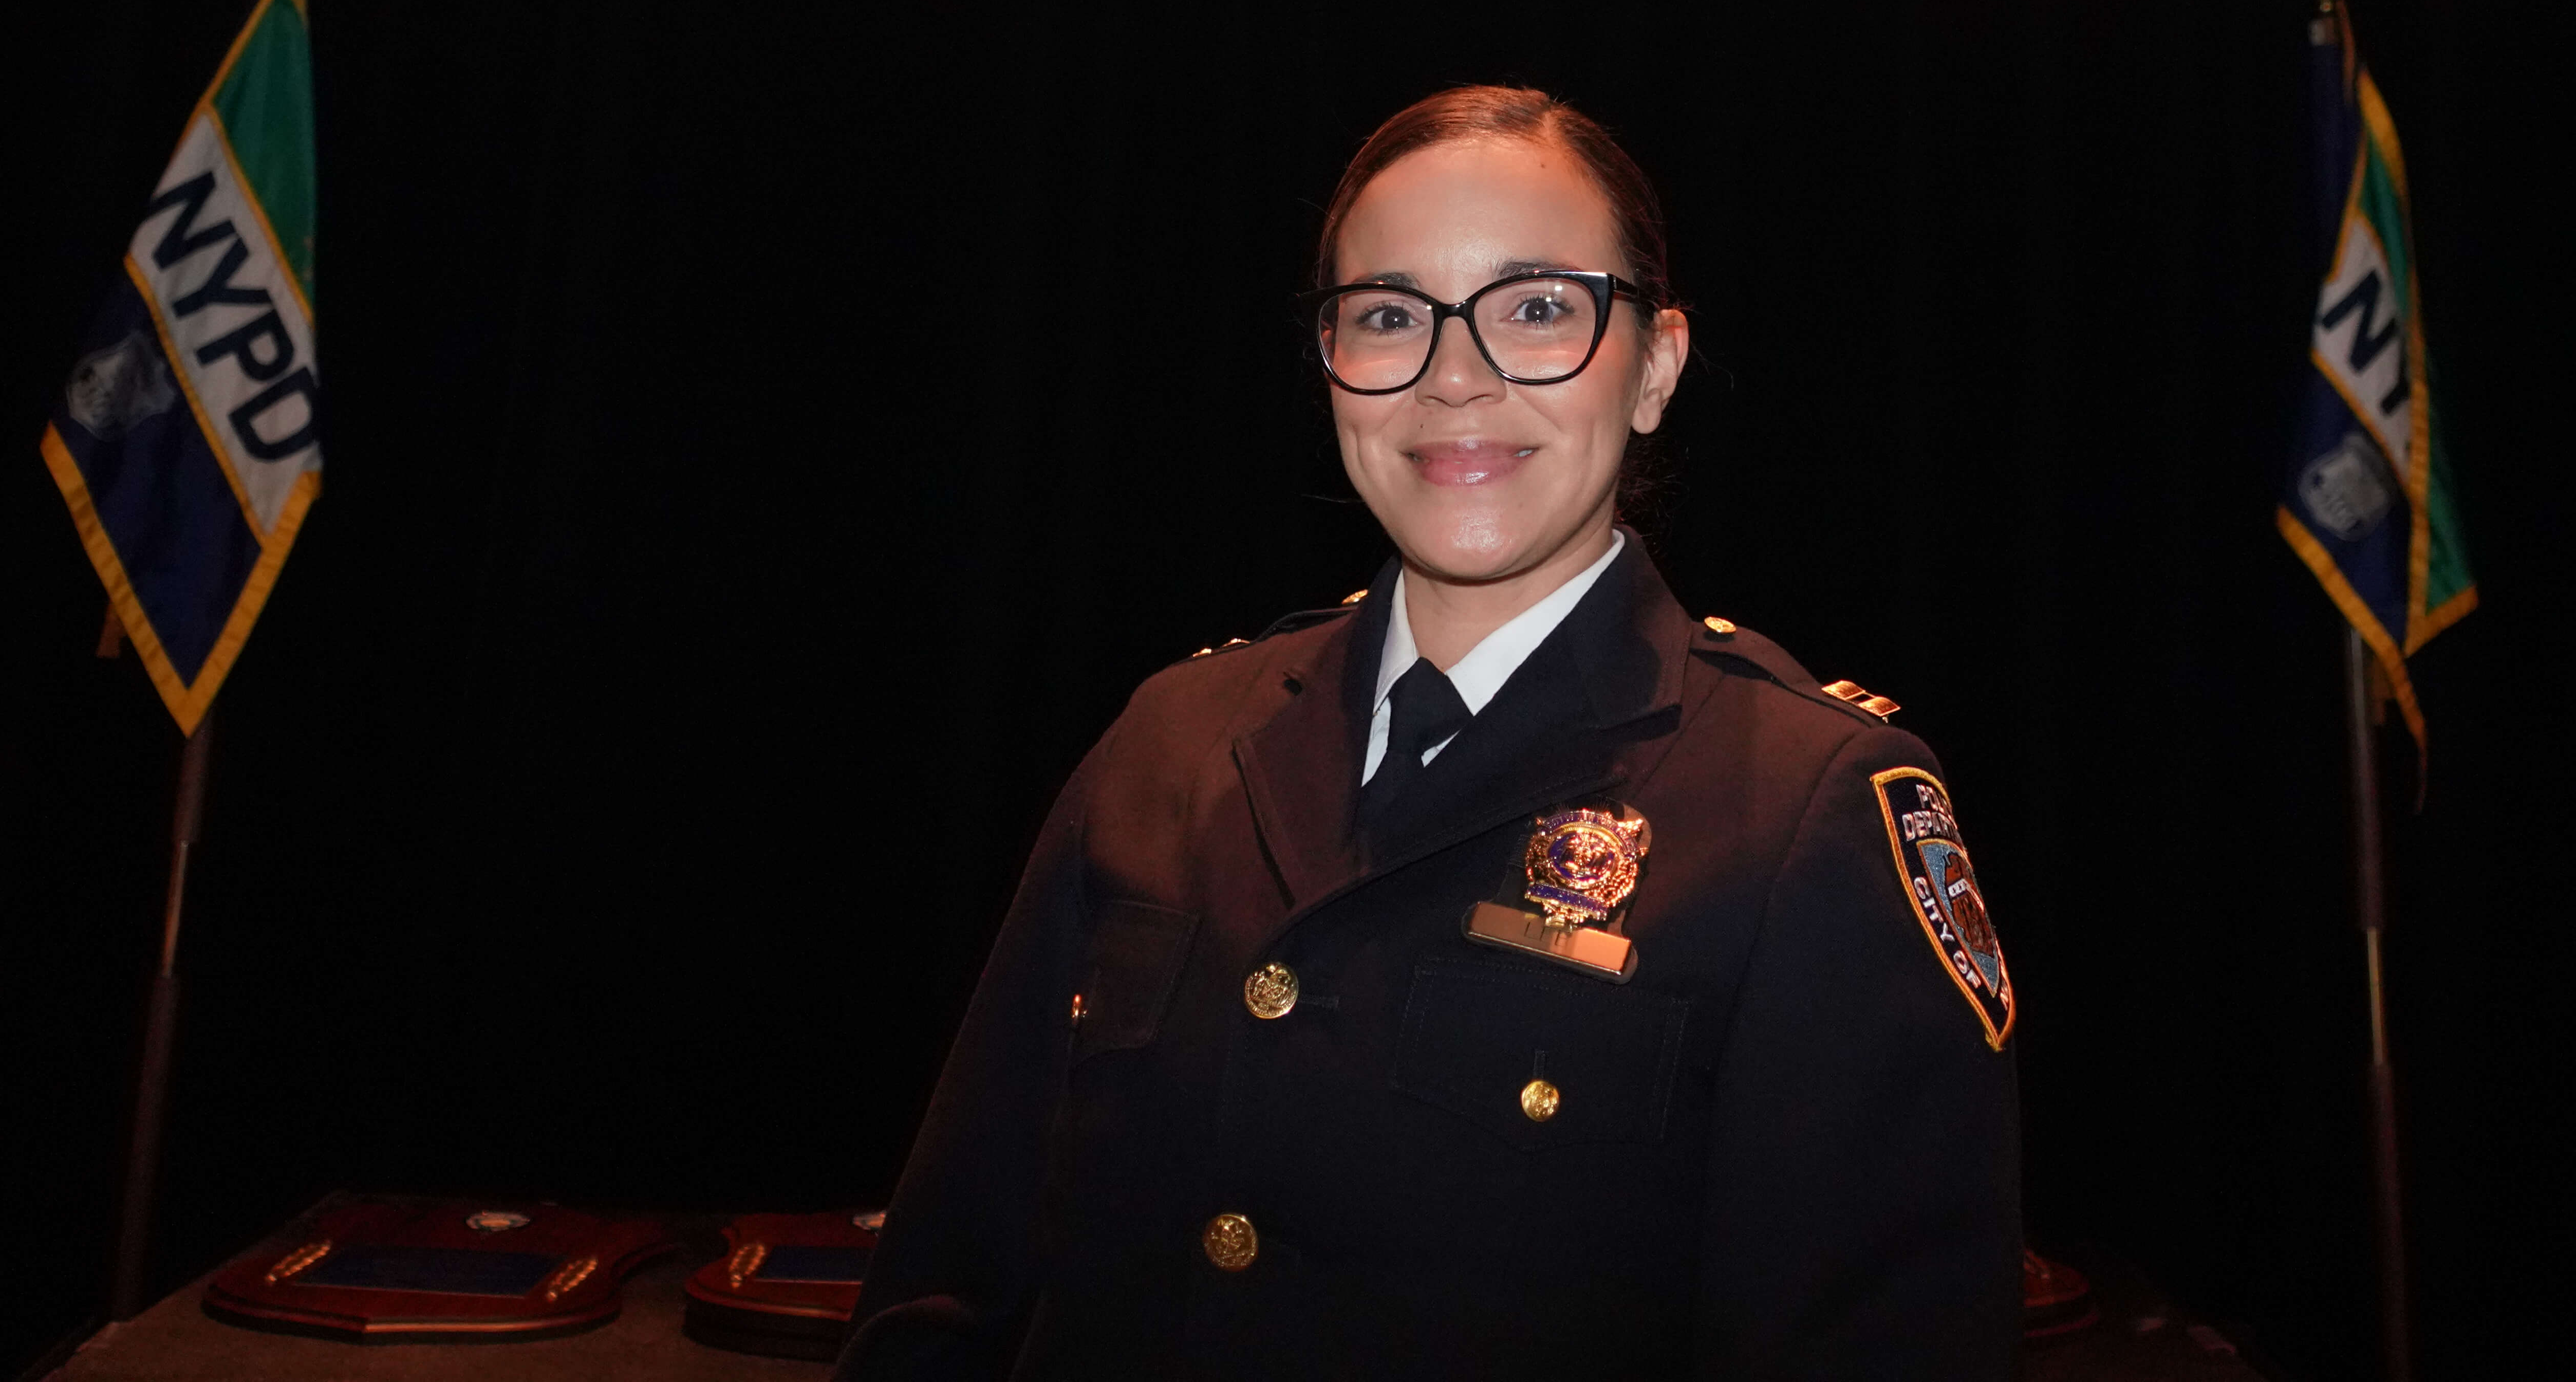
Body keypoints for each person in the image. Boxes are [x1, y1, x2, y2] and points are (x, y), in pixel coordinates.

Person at [841, 86, 2023, 1379]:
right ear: (1331, 367)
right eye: (1390, 315)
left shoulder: (1807, 804)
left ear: (1655, 368)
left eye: (1537, 309)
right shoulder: (1171, 738)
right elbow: (955, 1276)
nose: (1453, 378)